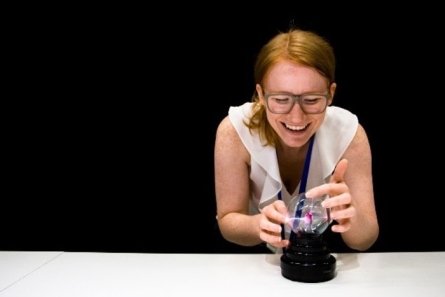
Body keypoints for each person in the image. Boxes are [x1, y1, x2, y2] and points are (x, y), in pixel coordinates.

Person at [213, 27, 379, 254]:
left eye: (311, 100)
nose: (296, 117)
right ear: (261, 95)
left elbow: (365, 240)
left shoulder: (350, 134)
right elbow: (227, 221)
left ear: (331, 94)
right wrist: (256, 225)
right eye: (281, 99)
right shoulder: (233, 132)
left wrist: (350, 215)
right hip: (254, 263)